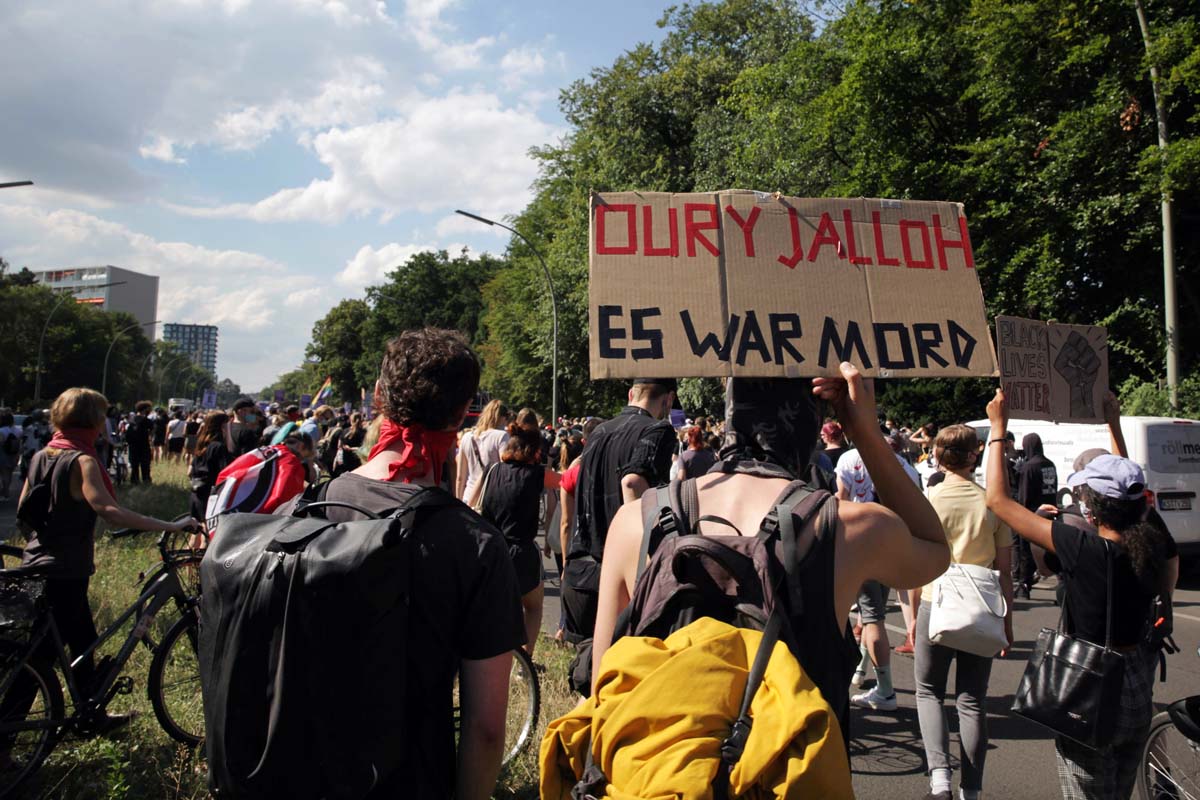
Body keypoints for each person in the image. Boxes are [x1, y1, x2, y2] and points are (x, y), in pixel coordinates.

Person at [591, 364, 951, 743]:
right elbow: (934, 550)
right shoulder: (848, 526)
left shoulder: (636, 520)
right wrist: (863, 429)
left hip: (665, 772)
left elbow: (604, 686)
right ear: (810, 420)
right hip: (791, 773)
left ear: (731, 406)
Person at [280, 329, 524, 800]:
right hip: (411, 778)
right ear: (463, 411)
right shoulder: (476, 545)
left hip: (303, 769)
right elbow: (487, 728)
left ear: (377, 397)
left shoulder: (314, 504)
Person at [985, 388, 1170, 800]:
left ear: (1092, 508)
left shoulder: (1083, 548)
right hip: (1137, 685)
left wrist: (998, 426)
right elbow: (1130, 486)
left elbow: (997, 500)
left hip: (1091, 691)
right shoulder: (1152, 539)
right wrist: (1113, 424)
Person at [9, 388, 201, 732]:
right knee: (44, 658)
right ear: (94, 421)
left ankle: (90, 714)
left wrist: (41, 545)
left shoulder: (44, 454)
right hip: (65, 571)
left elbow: (25, 510)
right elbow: (109, 511)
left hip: (36, 564)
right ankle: (8, 741)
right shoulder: (81, 461)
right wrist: (169, 524)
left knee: (79, 645)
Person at [911, 425, 1012, 800]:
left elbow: (915, 560)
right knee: (972, 701)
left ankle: (940, 780)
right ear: (975, 455)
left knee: (929, 692)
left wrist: (910, 618)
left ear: (937, 457)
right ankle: (973, 789)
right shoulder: (991, 501)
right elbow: (1006, 569)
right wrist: (1008, 621)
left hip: (935, 600)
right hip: (982, 605)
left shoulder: (929, 499)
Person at [561, 379, 676, 644]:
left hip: (581, 572)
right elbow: (633, 482)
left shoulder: (599, 432)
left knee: (587, 673)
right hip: (620, 579)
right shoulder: (658, 430)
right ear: (668, 399)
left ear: (630, 394)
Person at [836, 433, 923, 711]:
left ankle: (885, 690)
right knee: (869, 612)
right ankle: (861, 670)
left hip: (861, 543)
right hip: (894, 543)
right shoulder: (906, 467)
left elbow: (841, 501)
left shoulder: (849, 459)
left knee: (872, 618)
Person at [478, 423, 562, 657]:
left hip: (492, 551)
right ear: (535, 452)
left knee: (493, 608)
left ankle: (491, 654)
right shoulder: (536, 475)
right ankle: (525, 659)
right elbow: (566, 481)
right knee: (533, 607)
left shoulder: (492, 470)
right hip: (522, 552)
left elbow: (474, 501)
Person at [1013, 432, 1057, 599]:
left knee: (1026, 552)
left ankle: (1024, 585)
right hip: (1050, 511)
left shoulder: (1029, 467)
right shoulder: (1049, 464)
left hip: (1032, 513)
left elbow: (1024, 495)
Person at [457, 399, 510, 504]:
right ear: (502, 417)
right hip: (491, 498)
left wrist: (459, 501)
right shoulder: (501, 436)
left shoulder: (467, 437)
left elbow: (460, 477)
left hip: (469, 497)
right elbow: (505, 473)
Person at [188, 411, 234, 520]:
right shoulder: (219, 447)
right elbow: (227, 472)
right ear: (223, 426)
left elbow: (189, 472)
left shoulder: (201, 445)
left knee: (196, 528)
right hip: (210, 494)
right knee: (207, 529)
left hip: (196, 491)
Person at [126, 401, 154, 484]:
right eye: (148, 409)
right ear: (144, 409)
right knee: (145, 463)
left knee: (134, 464)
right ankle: (146, 479)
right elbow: (152, 430)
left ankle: (134, 480)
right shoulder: (146, 420)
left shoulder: (132, 419)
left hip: (133, 445)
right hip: (144, 444)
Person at [0, 409, 18, 502]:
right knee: (9, 473)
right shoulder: (17, 430)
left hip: (3, 455)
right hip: (14, 455)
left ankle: (6, 492)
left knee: (4, 474)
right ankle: (6, 490)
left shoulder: (2, 431)